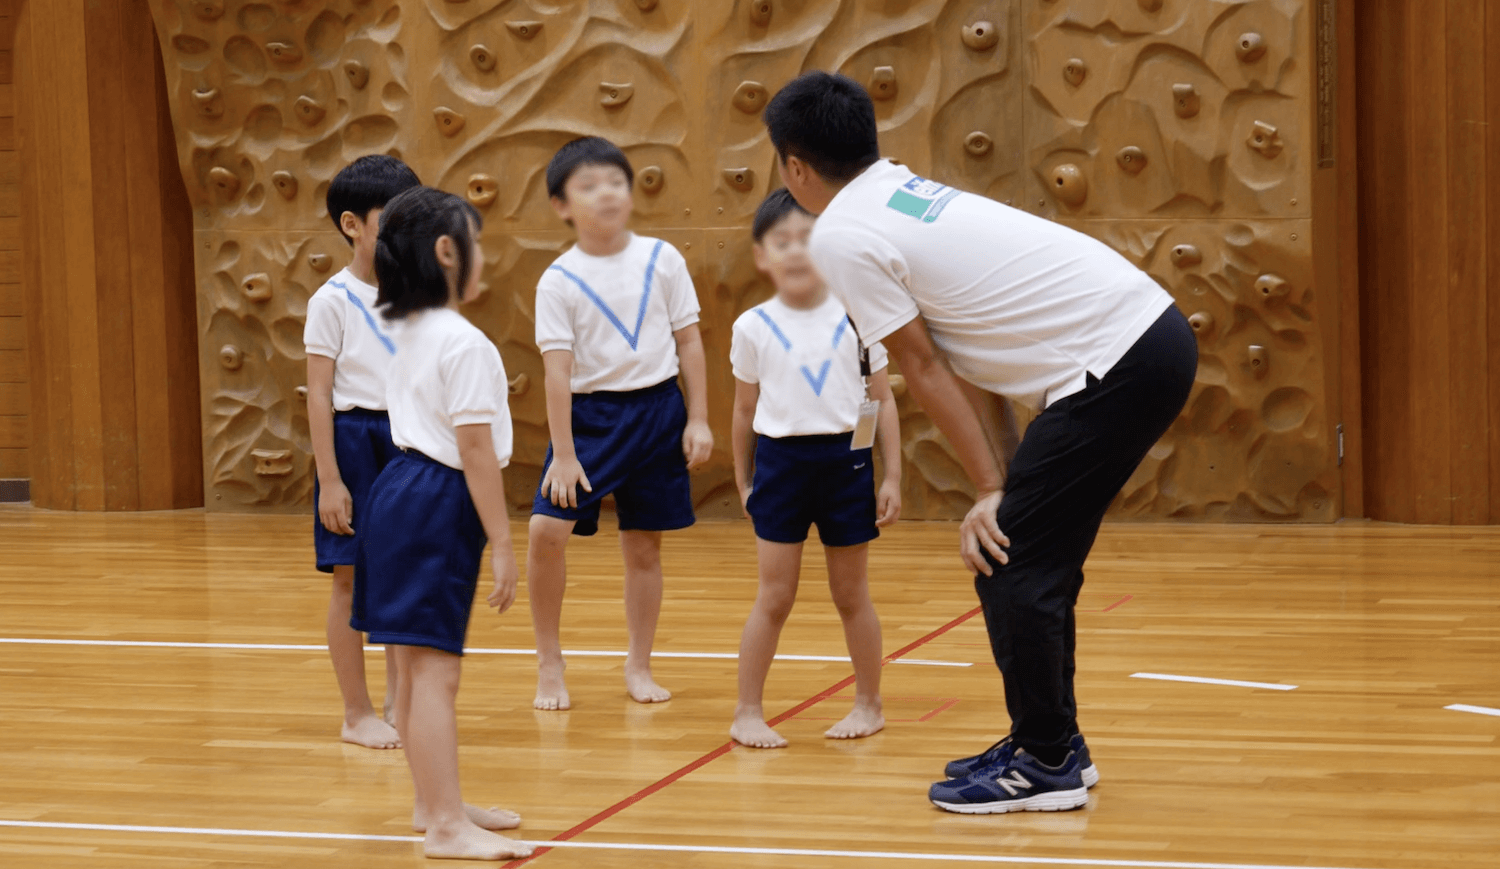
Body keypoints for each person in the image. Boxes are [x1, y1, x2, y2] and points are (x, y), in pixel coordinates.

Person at [763, 72, 1198, 814]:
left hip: (1117, 360)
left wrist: (993, 488)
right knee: (1031, 556)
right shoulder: (897, 191)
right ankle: (1050, 742)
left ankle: (1046, 760)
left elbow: (923, 366)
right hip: (1144, 339)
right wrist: (1001, 476)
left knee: (1010, 559)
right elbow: (970, 356)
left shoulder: (839, 232)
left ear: (794, 167)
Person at [354, 186, 531, 860]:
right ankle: (447, 827)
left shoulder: (411, 327)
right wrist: (504, 542)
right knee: (435, 673)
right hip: (435, 498)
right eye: (476, 243)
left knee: (410, 666)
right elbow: (476, 450)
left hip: (397, 489)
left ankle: (434, 803)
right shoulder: (465, 342)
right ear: (448, 252)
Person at [527, 136, 713, 710]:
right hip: (590, 421)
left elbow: (689, 342)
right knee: (545, 531)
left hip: (658, 413)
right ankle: (550, 661)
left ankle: (639, 663)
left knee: (644, 547)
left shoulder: (663, 258)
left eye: (614, 181)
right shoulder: (558, 280)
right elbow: (556, 373)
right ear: (561, 205)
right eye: (587, 186)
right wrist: (564, 453)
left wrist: (698, 419)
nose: (605, 193)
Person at [728, 189, 902, 750]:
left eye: (808, 239)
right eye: (782, 241)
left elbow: (881, 400)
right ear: (762, 256)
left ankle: (869, 703)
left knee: (852, 594)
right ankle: (747, 712)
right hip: (781, 466)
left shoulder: (859, 319)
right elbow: (743, 411)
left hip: (846, 462)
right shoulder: (752, 326)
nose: (796, 250)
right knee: (774, 596)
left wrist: (890, 476)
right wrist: (744, 480)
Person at [303, 154, 420, 750]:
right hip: (355, 443)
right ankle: (356, 713)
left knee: (403, 577)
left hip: (410, 441)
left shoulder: (420, 294)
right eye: (390, 220)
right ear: (351, 225)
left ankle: (400, 700)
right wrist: (331, 479)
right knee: (349, 579)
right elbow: (319, 395)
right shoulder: (332, 301)